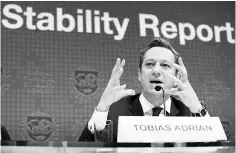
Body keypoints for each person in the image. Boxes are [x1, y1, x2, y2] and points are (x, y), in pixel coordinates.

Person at [78, 37, 210, 144]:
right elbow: (84, 149)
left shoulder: (191, 113)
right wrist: (101, 109)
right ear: (140, 74)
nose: (156, 71)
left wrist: (198, 108)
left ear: (177, 76)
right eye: (150, 64)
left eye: (165, 65)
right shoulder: (114, 110)